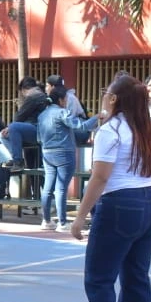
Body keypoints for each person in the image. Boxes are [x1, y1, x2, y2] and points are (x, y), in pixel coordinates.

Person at [70, 74, 151, 302]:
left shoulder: (111, 130)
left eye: (105, 92)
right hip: (150, 201)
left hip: (120, 204)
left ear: (113, 99)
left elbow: (100, 177)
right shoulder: (144, 128)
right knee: (136, 277)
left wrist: (80, 215)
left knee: (99, 279)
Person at [37, 86, 100, 231]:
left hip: (47, 152)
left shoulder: (42, 115)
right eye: (66, 99)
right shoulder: (62, 112)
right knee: (61, 188)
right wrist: (97, 117)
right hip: (64, 152)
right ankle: (62, 222)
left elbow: (39, 138)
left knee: (48, 188)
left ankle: (46, 220)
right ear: (61, 100)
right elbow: (82, 126)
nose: (67, 101)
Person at [0, 77, 50, 167]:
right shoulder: (41, 95)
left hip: (38, 130)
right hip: (40, 130)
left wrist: (9, 127)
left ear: (23, 90)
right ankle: (17, 158)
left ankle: (17, 160)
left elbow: (20, 115)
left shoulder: (33, 96)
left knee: (9, 131)